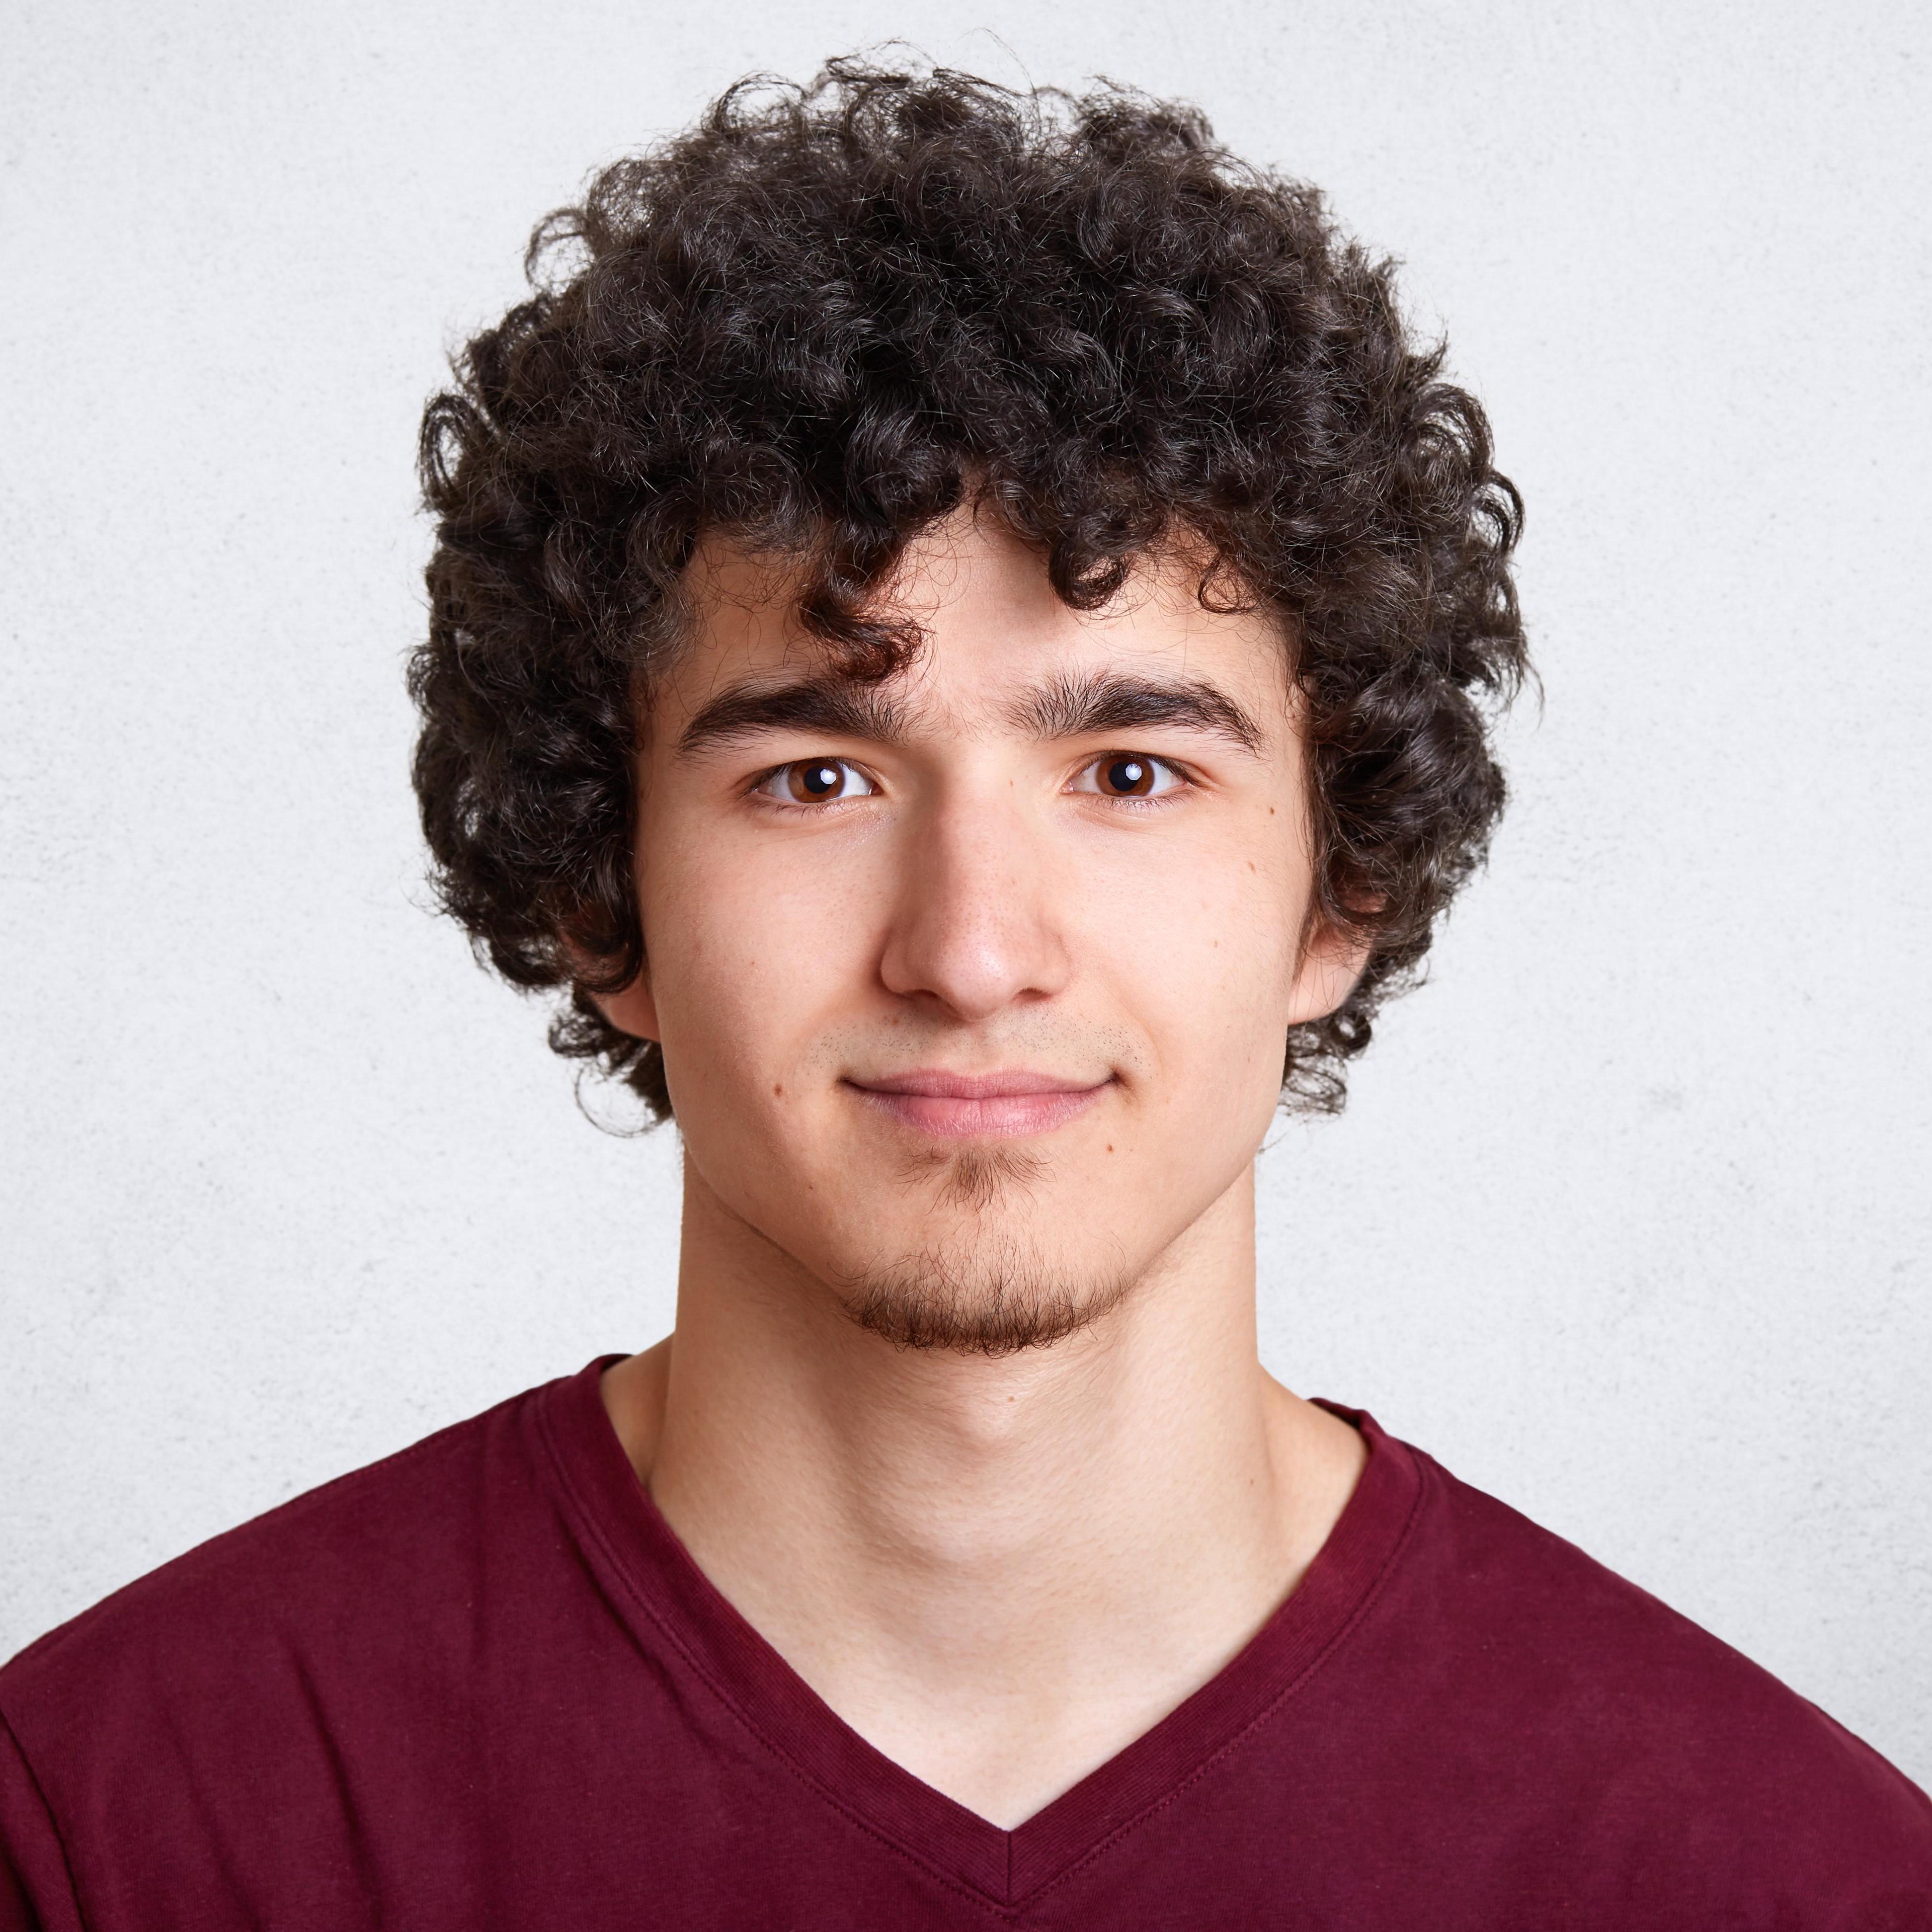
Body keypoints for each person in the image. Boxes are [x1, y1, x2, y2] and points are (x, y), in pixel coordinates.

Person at [3, 57, 1926, 1931]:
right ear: (601, 896)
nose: (975, 949)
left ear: (1342, 890)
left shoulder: (1781, 1879)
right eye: (816, 779)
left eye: (1132, 773)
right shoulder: (116, 1835)